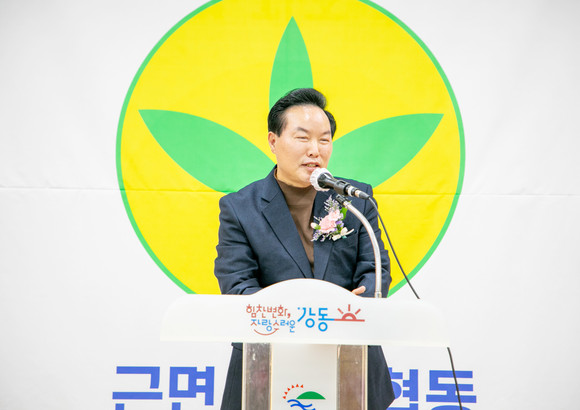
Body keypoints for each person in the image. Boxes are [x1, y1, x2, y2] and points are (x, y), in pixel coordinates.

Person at [214, 88, 395, 409]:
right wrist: (303, 317)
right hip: (266, 363)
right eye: (302, 138)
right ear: (273, 141)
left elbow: (375, 272)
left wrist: (350, 310)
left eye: (324, 140)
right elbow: (237, 285)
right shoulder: (240, 208)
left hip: (349, 358)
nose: (315, 150)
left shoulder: (354, 199)